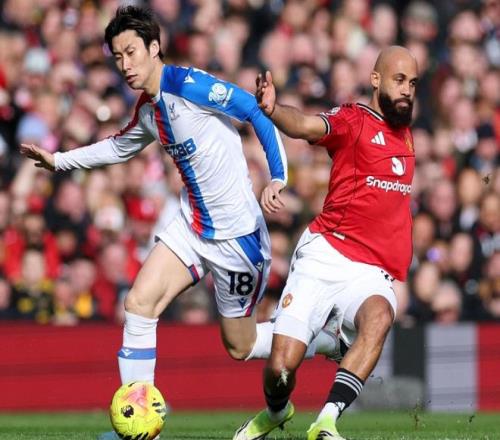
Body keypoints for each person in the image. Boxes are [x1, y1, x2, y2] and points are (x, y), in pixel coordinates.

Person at [21, 6, 338, 438]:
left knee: (240, 346)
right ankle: (138, 424)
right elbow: (118, 146)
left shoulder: (189, 86)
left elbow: (254, 110)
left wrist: (279, 176)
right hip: (192, 227)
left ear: (155, 47)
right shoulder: (149, 109)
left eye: (132, 52)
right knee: (139, 304)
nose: (124, 64)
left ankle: (324, 340)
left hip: (238, 240)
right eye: (118, 56)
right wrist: (58, 161)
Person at [234, 45, 418, 440]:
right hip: (326, 254)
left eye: (413, 83)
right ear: (376, 80)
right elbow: (305, 125)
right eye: (400, 80)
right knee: (281, 369)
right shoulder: (354, 120)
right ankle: (277, 411)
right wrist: (273, 110)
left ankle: (326, 421)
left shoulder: (405, 135)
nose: (407, 90)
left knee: (380, 317)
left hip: (370, 272)